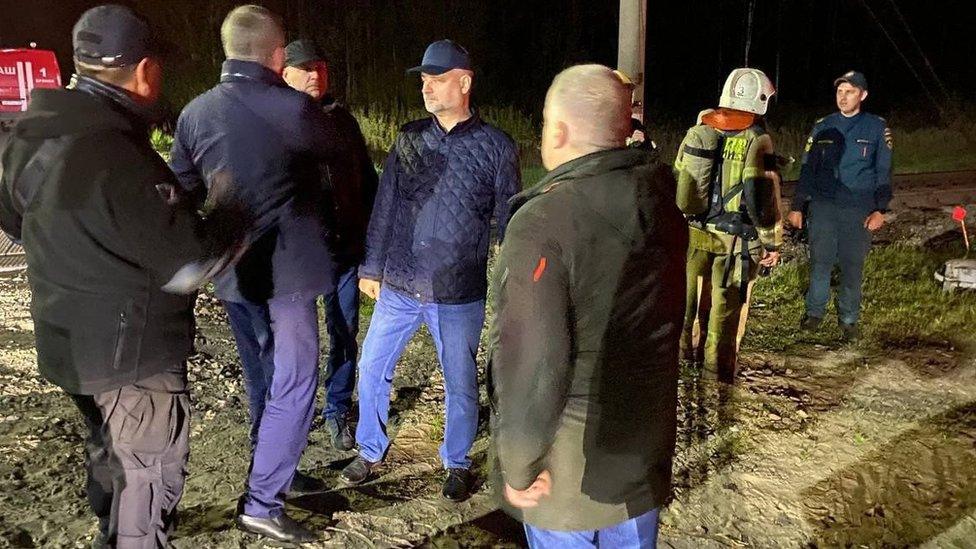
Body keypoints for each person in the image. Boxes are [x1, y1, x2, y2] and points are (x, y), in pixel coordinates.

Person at [0, 5, 243, 547]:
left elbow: (19, 223)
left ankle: (110, 534)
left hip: (67, 345)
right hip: (130, 360)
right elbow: (191, 264)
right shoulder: (119, 156)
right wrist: (232, 205)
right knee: (147, 478)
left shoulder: (28, 136)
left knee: (110, 455)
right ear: (143, 71)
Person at [488, 64, 687, 548]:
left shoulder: (544, 222)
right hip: (639, 458)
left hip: (566, 475)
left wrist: (517, 464)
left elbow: (535, 363)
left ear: (557, 129)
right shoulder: (661, 200)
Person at [168, 5, 339, 543]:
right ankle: (263, 500)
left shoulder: (195, 113)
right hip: (288, 279)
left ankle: (273, 474)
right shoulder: (296, 111)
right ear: (278, 54)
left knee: (264, 376)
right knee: (295, 381)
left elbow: (182, 193)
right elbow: (341, 169)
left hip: (234, 277)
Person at [340, 39, 521, 502]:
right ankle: (369, 448)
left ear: (464, 82)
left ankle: (456, 461)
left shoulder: (497, 147)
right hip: (400, 282)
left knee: (460, 383)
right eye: (423, 81)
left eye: (437, 80)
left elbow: (510, 222)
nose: (427, 88)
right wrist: (372, 266)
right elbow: (385, 206)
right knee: (371, 367)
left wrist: (511, 282)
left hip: (458, 292)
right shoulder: (408, 138)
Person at [281, 39, 378, 451]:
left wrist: (373, 244)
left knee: (344, 332)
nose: (314, 75)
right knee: (297, 345)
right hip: (296, 261)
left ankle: (337, 408)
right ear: (284, 74)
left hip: (343, 254)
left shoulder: (343, 122)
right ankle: (293, 419)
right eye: (304, 68)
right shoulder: (274, 121)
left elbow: (368, 183)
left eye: (319, 67)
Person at [673, 68, 782, 382]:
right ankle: (718, 378)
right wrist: (772, 242)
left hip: (695, 236)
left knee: (691, 307)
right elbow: (761, 196)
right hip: (734, 244)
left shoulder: (699, 130)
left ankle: (686, 366)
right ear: (759, 98)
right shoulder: (757, 139)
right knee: (725, 311)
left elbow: (679, 178)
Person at [788, 71, 892, 341]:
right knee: (820, 262)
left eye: (850, 92)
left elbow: (883, 172)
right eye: (839, 92)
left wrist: (880, 209)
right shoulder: (823, 126)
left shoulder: (876, 127)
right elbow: (807, 169)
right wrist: (798, 205)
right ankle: (814, 313)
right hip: (823, 206)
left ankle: (848, 319)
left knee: (851, 265)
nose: (843, 97)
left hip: (858, 208)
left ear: (863, 95)